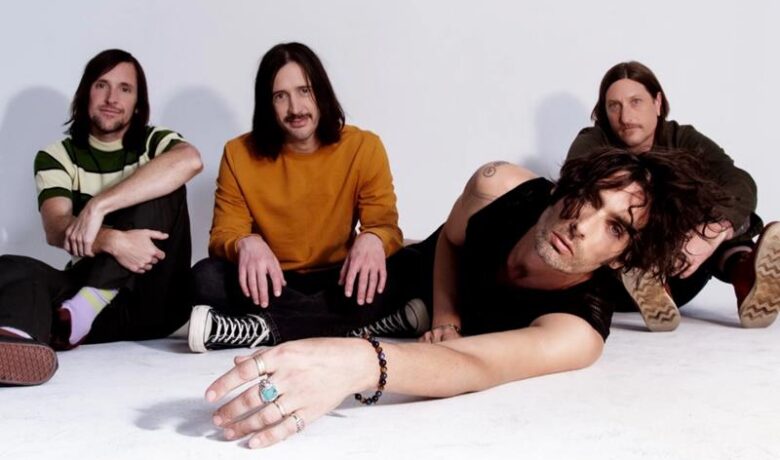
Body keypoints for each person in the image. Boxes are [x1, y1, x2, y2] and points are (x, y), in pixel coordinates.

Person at [204, 148, 730, 448]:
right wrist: (446, 313)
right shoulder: (496, 185)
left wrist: (357, 364)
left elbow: (475, 364)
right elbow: (452, 243)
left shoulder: (580, 331)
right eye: (587, 199)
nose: (582, 225)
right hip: (427, 272)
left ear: (620, 258)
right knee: (225, 283)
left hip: (460, 331)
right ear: (564, 188)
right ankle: (386, 315)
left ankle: (360, 324)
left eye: (614, 227)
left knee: (339, 319)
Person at [186, 42, 420, 353]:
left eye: (304, 91)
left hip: (343, 278)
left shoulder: (364, 147)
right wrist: (245, 242)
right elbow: (222, 235)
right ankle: (360, 326)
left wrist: (374, 238)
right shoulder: (238, 154)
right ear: (267, 104)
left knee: (414, 263)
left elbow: (387, 227)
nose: (295, 108)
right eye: (280, 96)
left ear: (321, 92)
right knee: (205, 278)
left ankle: (265, 329)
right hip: (272, 283)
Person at [0, 49, 203, 386]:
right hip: (90, 315)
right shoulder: (57, 156)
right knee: (11, 267)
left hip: (156, 297)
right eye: (101, 85)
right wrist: (113, 241)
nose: (112, 98)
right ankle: (16, 340)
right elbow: (56, 228)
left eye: (125, 89)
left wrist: (98, 207)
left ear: (137, 103)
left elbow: (190, 160)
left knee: (164, 185)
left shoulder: (154, 142)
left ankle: (88, 303)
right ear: (85, 93)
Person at [567, 61, 779, 331]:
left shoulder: (682, 138)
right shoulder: (594, 142)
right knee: (611, 210)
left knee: (720, 204)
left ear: (657, 103)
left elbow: (739, 181)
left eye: (635, 102)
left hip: (685, 269)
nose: (625, 116)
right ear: (604, 112)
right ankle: (650, 281)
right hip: (617, 278)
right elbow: (573, 187)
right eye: (614, 106)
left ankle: (746, 277)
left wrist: (710, 232)